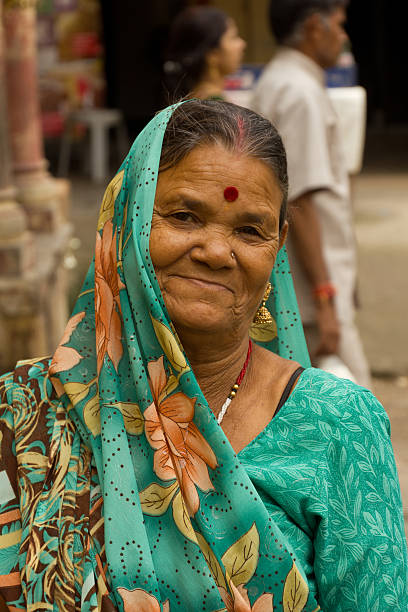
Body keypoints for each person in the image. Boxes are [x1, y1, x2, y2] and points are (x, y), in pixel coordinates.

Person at [0, 100, 406, 611]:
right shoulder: (24, 414)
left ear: (279, 244)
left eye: (249, 230)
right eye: (185, 216)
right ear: (126, 216)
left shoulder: (340, 425)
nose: (216, 251)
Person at [251, 0, 371, 387]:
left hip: (303, 284)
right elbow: (299, 204)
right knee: (355, 412)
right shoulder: (298, 91)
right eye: (339, 23)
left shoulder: (281, 79)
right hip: (309, 289)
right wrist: (324, 296)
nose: (344, 35)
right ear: (314, 28)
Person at [163, 6, 245, 100]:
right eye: (233, 37)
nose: (242, 44)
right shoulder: (215, 107)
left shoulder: (194, 101)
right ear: (212, 55)